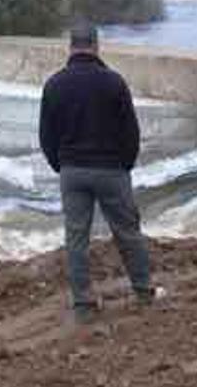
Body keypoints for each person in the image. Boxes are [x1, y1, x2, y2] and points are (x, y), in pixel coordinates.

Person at [39, 24, 154, 324]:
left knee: (76, 239)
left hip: (72, 171)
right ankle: (143, 292)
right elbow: (131, 132)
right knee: (128, 232)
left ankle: (83, 303)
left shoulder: (54, 85)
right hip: (111, 170)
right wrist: (125, 165)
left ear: (71, 47)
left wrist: (61, 165)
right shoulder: (114, 83)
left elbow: (46, 136)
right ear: (96, 45)